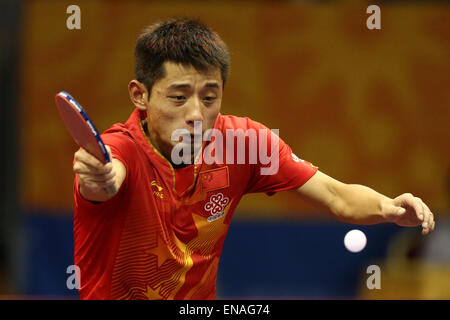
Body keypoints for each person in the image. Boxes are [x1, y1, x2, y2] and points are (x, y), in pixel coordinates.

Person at [72, 17, 435, 300]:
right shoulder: (120, 149)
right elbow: (106, 178)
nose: (197, 114)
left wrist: (387, 207)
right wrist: (98, 180)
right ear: (140, 95)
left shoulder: (242, 142)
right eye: (179, 98)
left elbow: (337, 197)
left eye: (210, 98)